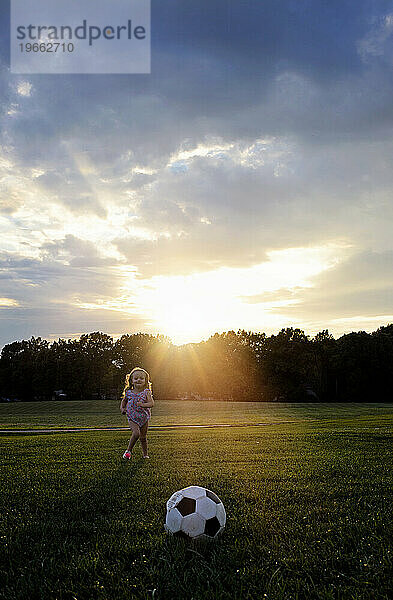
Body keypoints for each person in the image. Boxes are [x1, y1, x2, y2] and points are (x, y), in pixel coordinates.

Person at [120, 367, 154, 459]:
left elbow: (151, 403)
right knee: (136, 434)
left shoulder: (146, 392)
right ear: (131, 380)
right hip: (132, 417)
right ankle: (128, 451)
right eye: (136, 378)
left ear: (145, 380)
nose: (138, 380)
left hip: (144, 417)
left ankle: (145, 455)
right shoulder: (128, 392)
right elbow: (124, 401)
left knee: (143, 437)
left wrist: (143, 404)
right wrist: (122, 409)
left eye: (141, 378)